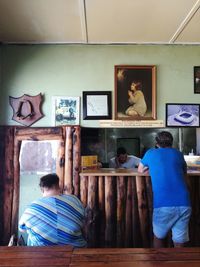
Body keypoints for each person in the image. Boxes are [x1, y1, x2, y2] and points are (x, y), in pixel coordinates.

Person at [138, 131, 191, 248]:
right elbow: (184, 171)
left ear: (157, 143)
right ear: (172, 143)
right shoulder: (178, 154)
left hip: (163, 204)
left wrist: (153, 169)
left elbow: (140, 170)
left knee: (159, 237)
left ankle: (159, 263)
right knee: (180, 241)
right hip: (184, 203)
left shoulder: (150, 153)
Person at [19, 173, 87, 247]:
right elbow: (83, 220)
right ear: (59, 186)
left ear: (42, 189)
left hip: (40, 254)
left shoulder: (32, 207)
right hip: (74, 250)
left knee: (31, 235)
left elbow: (22, 229)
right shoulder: (74, 200)